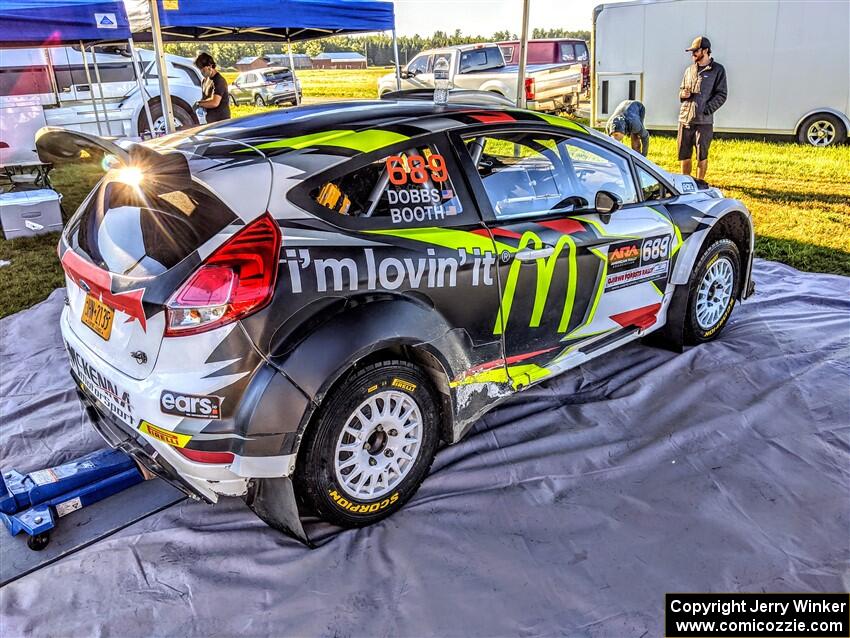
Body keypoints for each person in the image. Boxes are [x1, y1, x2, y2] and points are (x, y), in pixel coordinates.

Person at [678, 36, 727, 181]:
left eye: (695, 51)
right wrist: (682, 94)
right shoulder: (689, 70)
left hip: (704, 122)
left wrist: (706, 110)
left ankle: (699, 184)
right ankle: (685, 183)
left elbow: (722, 94)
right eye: (692, 51)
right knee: (684, 154)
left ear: (705, 51)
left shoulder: (717, 70)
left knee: (702, 154)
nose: (692, 54)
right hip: (685, 119)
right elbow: (681, 90)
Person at [193, 52, 230, 123]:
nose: (201, 72)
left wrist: (199, 104)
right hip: (210, 120)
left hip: (221, 121)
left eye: (203, 70)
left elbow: (214, 102)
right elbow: (205, 98)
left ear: (210, 66)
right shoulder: (205, 80)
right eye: (200, 70)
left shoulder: (219, 81)